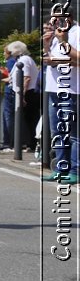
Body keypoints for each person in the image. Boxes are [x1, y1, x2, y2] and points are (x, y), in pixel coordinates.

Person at [43, 10, 80, 182]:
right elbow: (50, 58)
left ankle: (75, 170)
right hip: (53, 89)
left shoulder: (76, 33)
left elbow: (78, 60)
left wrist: (62, 43)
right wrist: (46, 46)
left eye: (59, 18)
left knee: (72, 133)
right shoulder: (57, 34)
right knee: (57, 131)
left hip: (71, 90)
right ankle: (60, 168)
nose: (55, 21)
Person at [0, 40, 40, 153]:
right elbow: (14, 78)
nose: (9, 52)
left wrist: (21, 95)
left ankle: (31, 144)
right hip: (25, 92)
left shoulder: (24, 60)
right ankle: (27, 143)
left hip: (29, 93)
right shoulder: (20, 60)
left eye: (11, 50)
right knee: (26, 119)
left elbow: (26, 78)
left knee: (29, 119)